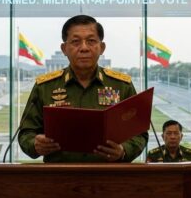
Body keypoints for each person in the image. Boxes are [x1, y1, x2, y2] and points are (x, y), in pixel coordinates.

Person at [18, 15, 148, 163]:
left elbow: (139, 133)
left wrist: (123, 151)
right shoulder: (45, 87)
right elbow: (25, 133)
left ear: (102, 47)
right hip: (59, 177)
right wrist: (35, 144)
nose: (84, 48)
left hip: (110, 177)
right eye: (75, 42)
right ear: (64, 49)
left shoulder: (122, 86)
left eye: (91, 41)